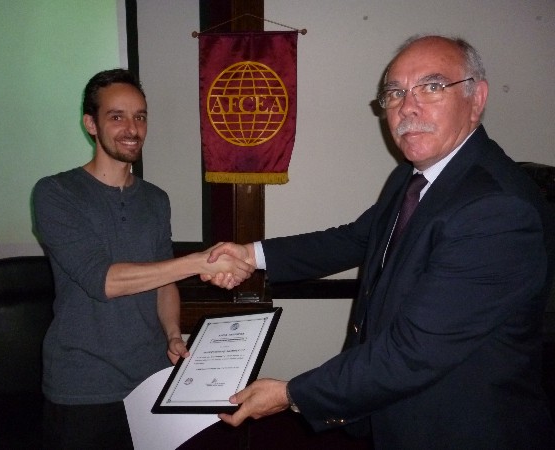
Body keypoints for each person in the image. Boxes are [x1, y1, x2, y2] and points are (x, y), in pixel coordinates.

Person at [206, 35, 555, 449]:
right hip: (402, 413)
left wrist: (291, 395)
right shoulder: (414, 177)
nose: (408, 107)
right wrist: (251, 254)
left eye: (431, 87)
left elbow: (413, 351)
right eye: (394, 93)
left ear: (476, 97)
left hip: (462, 427)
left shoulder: (496, 210)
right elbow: (355, 238)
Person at [32, 68, 253, 449]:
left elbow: (163, 283)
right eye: (116, 116)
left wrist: (172, 334)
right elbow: (105, 281)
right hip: (83, 386)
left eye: (140, 116)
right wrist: (199, 262)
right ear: (91, 124)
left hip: (152, 377)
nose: (131, 128)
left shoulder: (155, 199)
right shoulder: (55, 193)